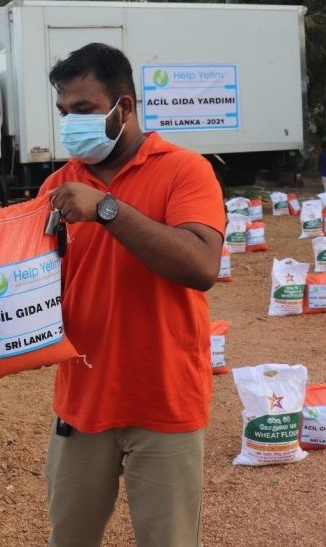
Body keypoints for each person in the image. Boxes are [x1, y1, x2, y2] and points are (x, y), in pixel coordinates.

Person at [39, 43, 225, 546]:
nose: (70, 123)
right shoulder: (56, 187)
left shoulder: (185, 170)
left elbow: (201, 265)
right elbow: (35, 284)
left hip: (164, 399)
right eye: (63, 113)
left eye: (83, 110)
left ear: (124, 107)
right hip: (81, 402)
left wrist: (106, 209)